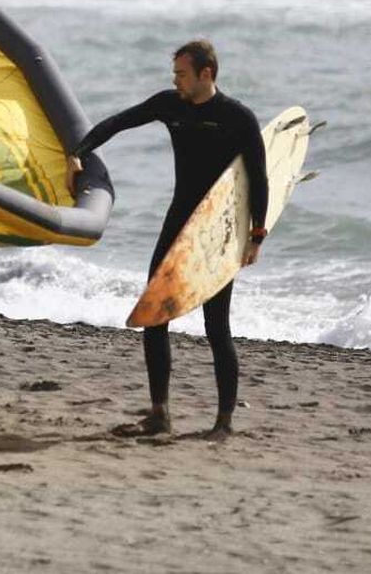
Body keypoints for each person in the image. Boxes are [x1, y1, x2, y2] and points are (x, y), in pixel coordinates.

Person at [66, 40, 267, 439]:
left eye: (181, 74)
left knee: (216, 327)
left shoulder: (237, 117)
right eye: (174, 74)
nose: (175, 80)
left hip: (216, 231)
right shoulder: (170, 104)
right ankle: (160, 413)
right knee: (155, 316)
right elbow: (119, 122)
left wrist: (256, 235)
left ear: (205, 74)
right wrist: (79, 152)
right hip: (178, 221)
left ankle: (223, 422)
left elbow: (259, 179)